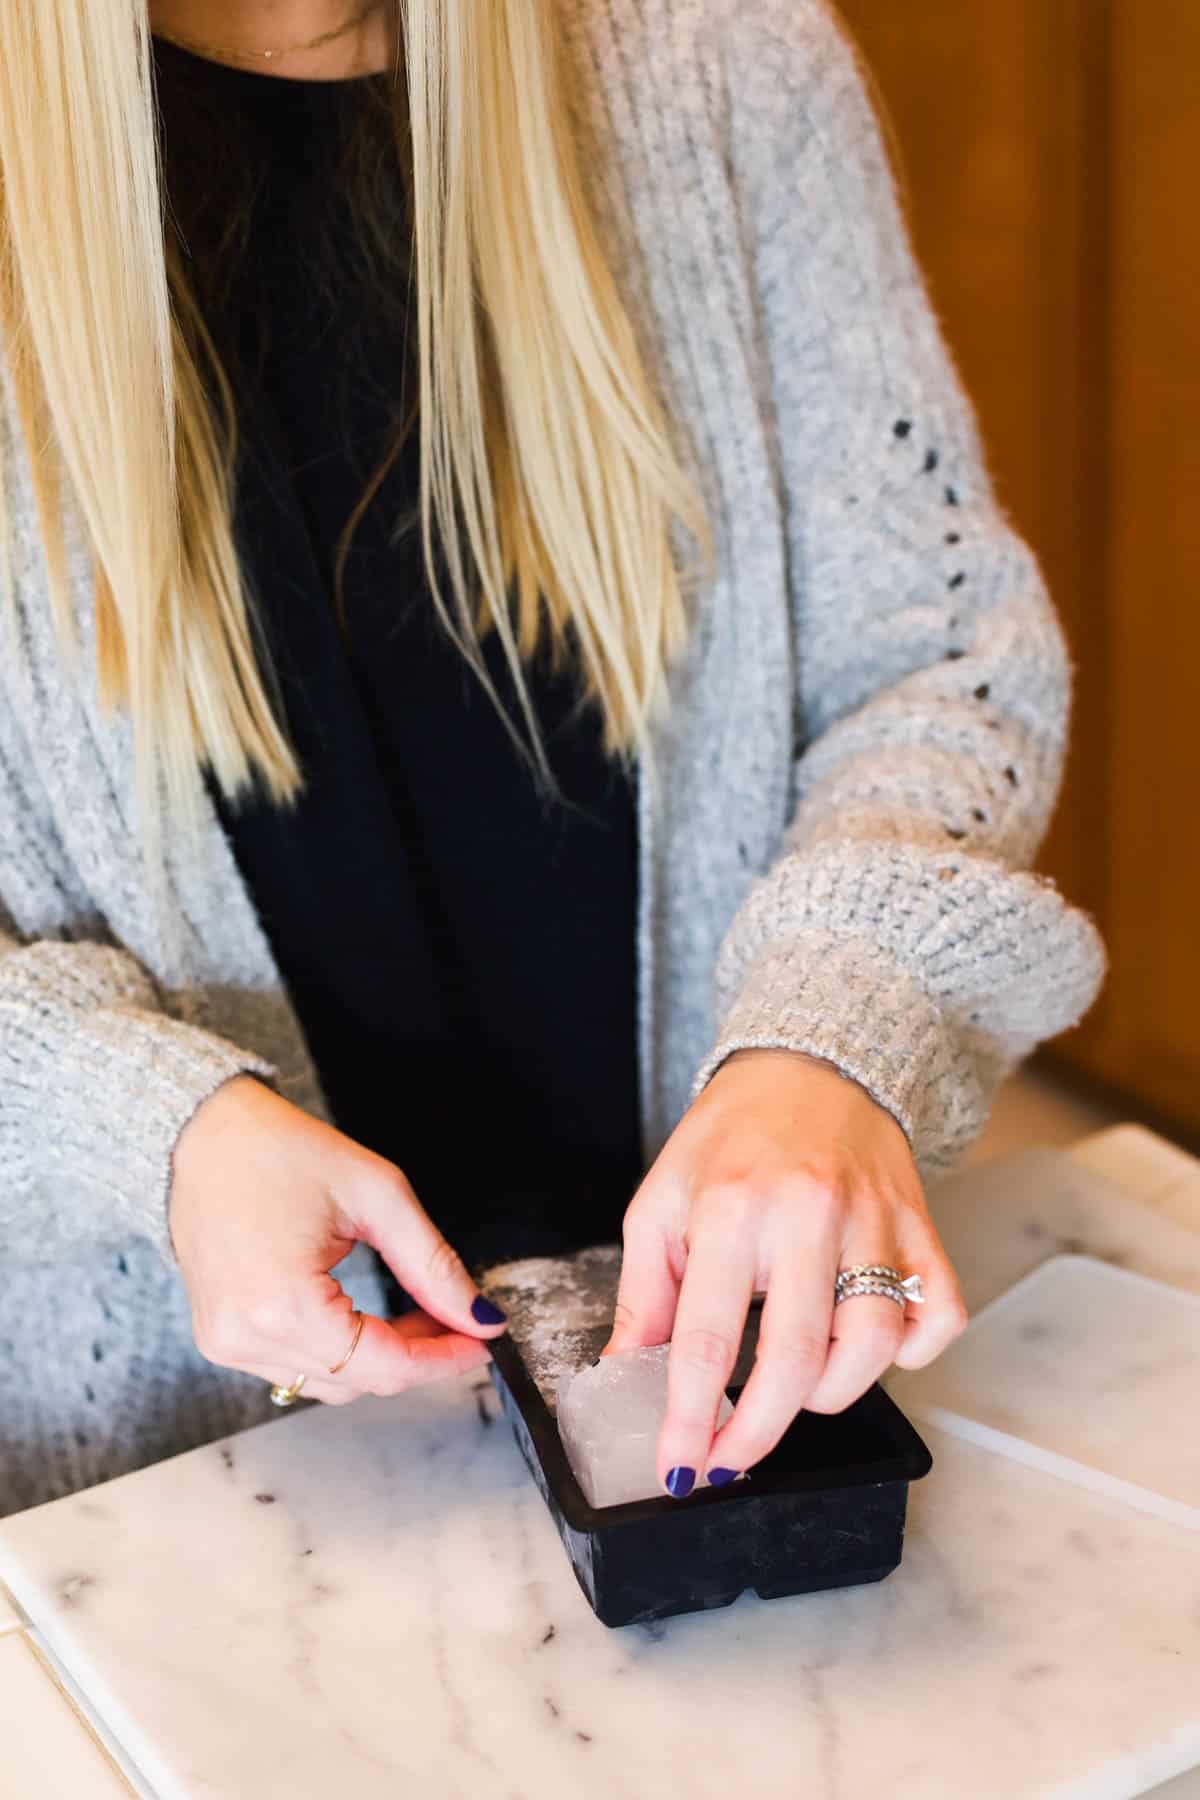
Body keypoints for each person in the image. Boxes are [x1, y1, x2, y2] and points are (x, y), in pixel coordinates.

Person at [0, 0, 1104, 1519]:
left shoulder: (723, 61)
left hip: (735, 1421)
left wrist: (838, 1025)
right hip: (176, 1518)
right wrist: (145, 1126)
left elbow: (939, 656)